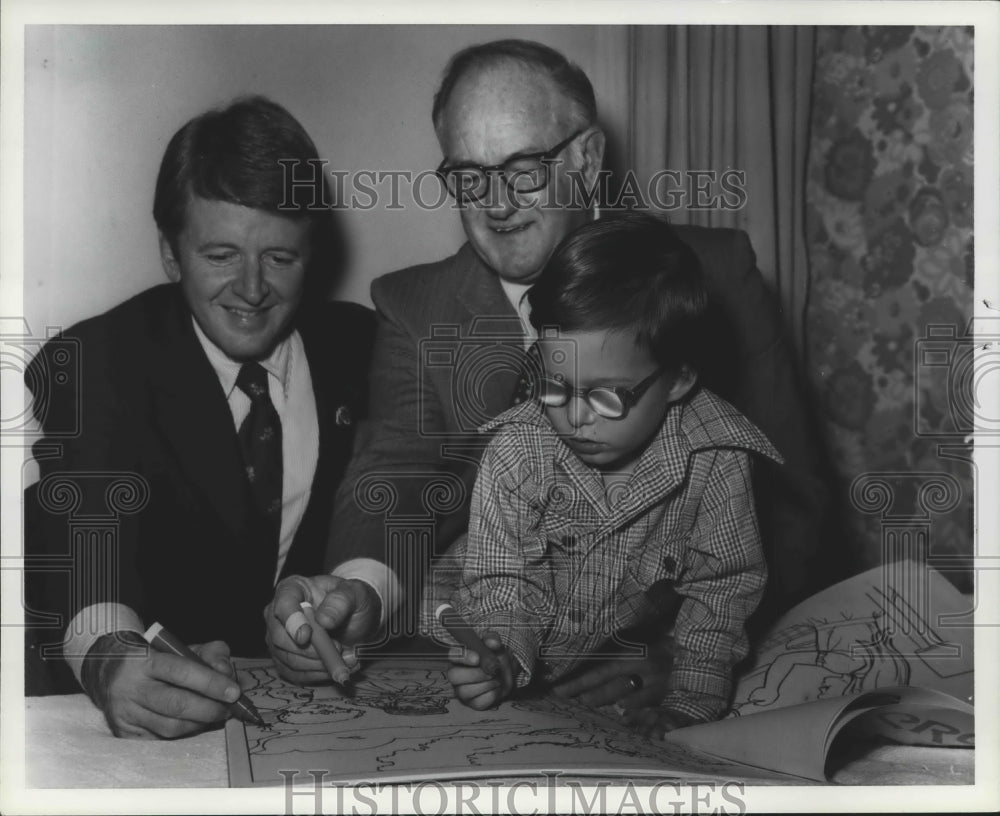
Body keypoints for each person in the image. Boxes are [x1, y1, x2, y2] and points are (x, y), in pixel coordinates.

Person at [270, 39, 832, 710]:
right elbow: (389, 482)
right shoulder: (413, 306)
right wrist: (359, 591)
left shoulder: (713, 277)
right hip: (482, 666)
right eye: (470, 176)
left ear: (587, 159)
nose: (497, 202)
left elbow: (794, 512)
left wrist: (688, 658)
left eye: (524, 168)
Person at [24, 96, 379, 738]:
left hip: (312, 730)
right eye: (220, 256)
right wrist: (109, 656)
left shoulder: (369, 347)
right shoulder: (96, 360)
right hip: (143, 744)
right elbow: (81, 529)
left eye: (279, 257)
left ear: (314, 253)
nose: (250, 289)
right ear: (170, 254)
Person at [426, 213, 782, 735]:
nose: (573, 418)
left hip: (598, 663)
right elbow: (501, 582)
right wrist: (499, 656)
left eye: (607, 396)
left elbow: (722, 591)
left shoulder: (718, 459)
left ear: (679, 377)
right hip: (463, 626)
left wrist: (691, 701)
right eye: (554, 386)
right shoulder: (518, 451)